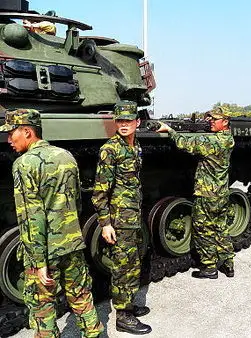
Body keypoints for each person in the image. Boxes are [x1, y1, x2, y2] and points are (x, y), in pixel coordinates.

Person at [0, 109, 104, 338]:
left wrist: (38, 262)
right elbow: (77, 203)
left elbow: (30, 217)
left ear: (27, 132)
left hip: (45, 250)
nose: (8, 140)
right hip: (72, 243)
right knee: (81, 296)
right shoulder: (66, 156)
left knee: (42, 308)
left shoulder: (24, 164)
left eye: (11, 133)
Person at [91, 101, 152, 335]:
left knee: (133, 262)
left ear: (137, 122)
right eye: (120, 121)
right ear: (116, 123)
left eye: (128, 120)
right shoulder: (110, 149)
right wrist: (105, 224)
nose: (124, 124)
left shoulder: (135, 146)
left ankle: (128, 304)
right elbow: (99, 192)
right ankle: (123, 316)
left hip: (133, 216)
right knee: (123, 266)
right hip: (119, 219)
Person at [156, 107, 235, 279]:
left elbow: (185, 143)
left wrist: (169, 130)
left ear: (225, 122)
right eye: (210, 119)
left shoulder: (213, 142)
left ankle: (210, 268)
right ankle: (228, 264)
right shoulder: (228, 139)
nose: (211, 122)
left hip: (207, 195)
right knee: (220, 228)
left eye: (214, 119)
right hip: (221, 193)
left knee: (203, 229)